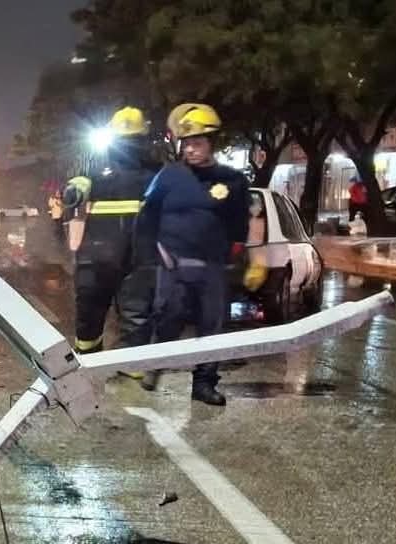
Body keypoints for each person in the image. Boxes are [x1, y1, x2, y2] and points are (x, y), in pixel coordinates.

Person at [134, 103, 254, 405]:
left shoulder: (233, 181)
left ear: (212, 144)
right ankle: (154, 367)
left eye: (197, 143)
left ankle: (204, 384)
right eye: (186, 144)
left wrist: (241, 257)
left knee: (211, 327)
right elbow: (146, 217)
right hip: (171, 263)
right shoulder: (169, 176)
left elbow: (241, 224)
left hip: (213, 267)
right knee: (167, 318)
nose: (190, 150)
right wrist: (153, 255)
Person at [60, 106, 162, 372]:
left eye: (132, 141)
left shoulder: (158, 176)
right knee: (92, 316)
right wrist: (75, 189)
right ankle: (89, 364)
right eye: (124, 141)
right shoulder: (93, 175)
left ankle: (131, 370)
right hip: (100, 261)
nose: (128, 147)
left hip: (134, 262)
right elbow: (72, 196)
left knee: (135, 316)